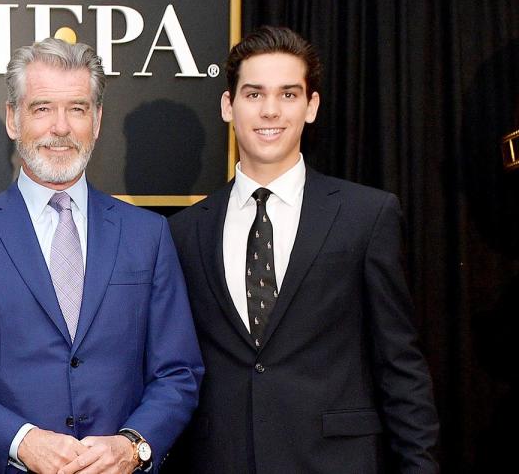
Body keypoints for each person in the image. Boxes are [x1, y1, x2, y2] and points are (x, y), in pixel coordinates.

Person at [0, 37, 204, 474]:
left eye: (77, 108)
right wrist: (21, 441)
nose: (61, 127)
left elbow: (178, 373)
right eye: (42, 107)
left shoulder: (148, 234)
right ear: (13, 118)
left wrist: (132, 446)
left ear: (98, 120)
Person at [167, 26, 440, 473]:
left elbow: (400, 364)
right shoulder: (184, 232)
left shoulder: (366, 216)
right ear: (227, 106)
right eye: (253, 95)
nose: (270, 111)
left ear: (311, 107)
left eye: (288, 95)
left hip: (336, 462)